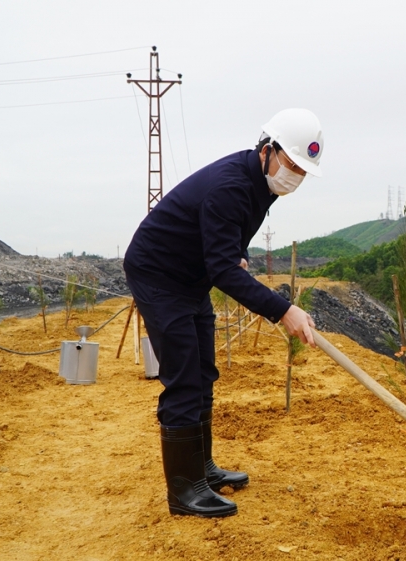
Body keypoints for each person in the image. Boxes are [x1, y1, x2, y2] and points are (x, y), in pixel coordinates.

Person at [123, 108, 322, 518]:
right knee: (183, 378)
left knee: (204, 372)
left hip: (190, 277)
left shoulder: (262, 185)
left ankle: (203, 469)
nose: (295, 177)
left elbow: (227, 236)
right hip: (159, 274)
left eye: (303, 171)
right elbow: (221, 269)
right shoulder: (232, 184)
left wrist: (240, 254)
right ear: (268, 150)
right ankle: (184, 492)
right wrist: (283, 310)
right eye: (292, 165)